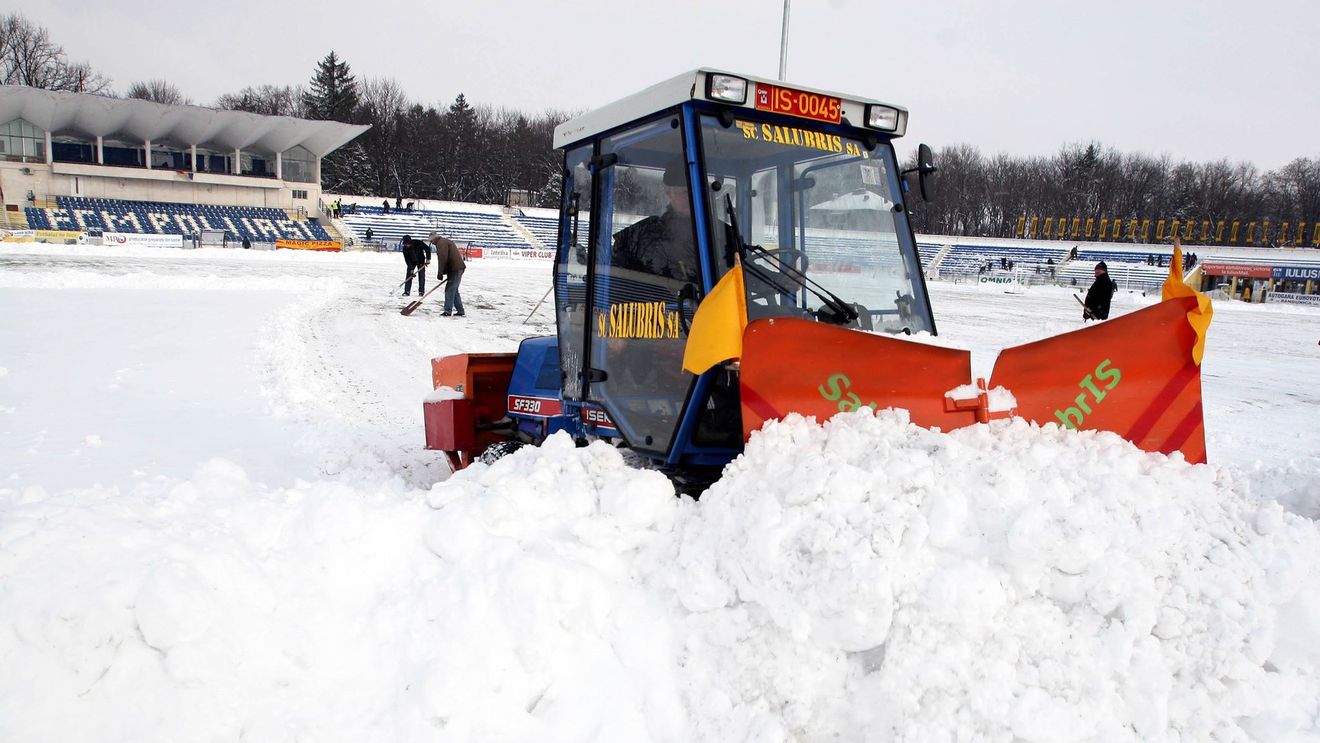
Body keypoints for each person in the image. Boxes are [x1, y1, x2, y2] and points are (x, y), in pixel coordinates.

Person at [610, 158, 699, 285]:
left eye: (695, 192)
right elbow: (616, 282)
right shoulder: (639, 236)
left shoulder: (723, 236)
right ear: (668, 193)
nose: (690, 198)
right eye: (684, 192)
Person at [430, 231, 466, 316]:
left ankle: (447, 311)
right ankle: (460, 310)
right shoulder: (444, 241)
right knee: (454, 290)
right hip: (456, 268)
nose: (431, 243)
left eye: (431, 241)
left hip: (455, 269)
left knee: (449, 290)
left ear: (434, 239)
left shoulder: (441, 243)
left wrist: (440, 272)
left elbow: (442, 258)